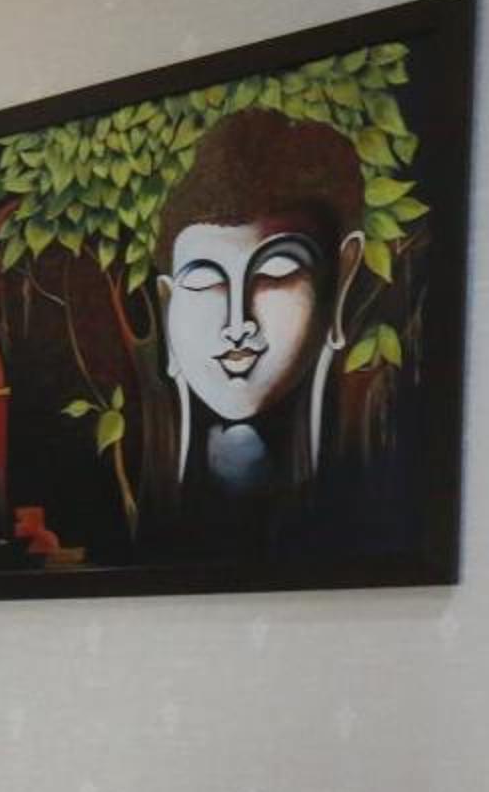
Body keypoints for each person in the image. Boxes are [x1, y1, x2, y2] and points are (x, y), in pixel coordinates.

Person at [144, 108, 376, 560]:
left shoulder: (371, 497)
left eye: (276, 274)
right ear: (168, 301)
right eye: (204, 282)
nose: (237, 324)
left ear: (340, 283)